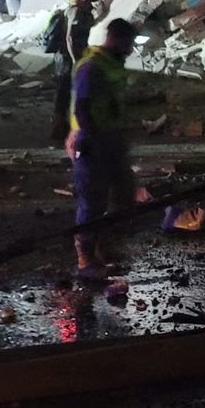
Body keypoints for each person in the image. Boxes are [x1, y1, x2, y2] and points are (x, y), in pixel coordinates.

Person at [66, 17, 137, 280]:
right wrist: (91, 138)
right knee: (93, 200)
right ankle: (85, 259)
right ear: (117, 39)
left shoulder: (111, 64)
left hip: (109, 138)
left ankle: (101, 248)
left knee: (123, 191)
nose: (130, 50)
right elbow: (82, 107)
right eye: (128, 44)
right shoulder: (92, 67)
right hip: (92, 141)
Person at [49, 0, 101, 143]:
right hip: (66, 58)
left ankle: (73, 127)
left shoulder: (84, 9)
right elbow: (70, 37)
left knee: (73, 91)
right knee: (64, 92)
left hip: (73, 56)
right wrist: (75, 61)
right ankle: (59, 130)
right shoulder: (76, 11)